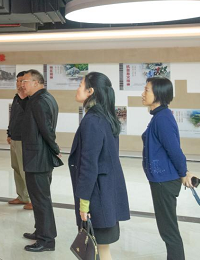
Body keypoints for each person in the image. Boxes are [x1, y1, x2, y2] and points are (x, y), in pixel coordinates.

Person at [69, 72, 130, 260]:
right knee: (102, 249)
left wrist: (84, 203)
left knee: (100, 249)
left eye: (80, 85)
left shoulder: (92, 120)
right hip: (107, 193)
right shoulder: (106, 117)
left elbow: (89, 165)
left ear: (90, 91)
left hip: (97, 196)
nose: (77, 89)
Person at [142, 77, 198, 260]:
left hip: (164, 181)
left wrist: (184, 172)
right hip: (161, 180)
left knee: (169, 231)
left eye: (146, 90)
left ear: (158, 94)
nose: (143, 94)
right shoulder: (160, 116)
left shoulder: (162, 119)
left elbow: (174, 149)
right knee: (167, 229)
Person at [20, 69, 60, 253]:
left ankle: (47, 240)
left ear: (36, 82)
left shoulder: (40, 101)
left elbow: (46, 129)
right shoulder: (44, 98)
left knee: (41, 200)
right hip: (39, 156)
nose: (22, 84)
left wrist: (55, 149)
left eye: (25, 81)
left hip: (38, 158)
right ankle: (41, 231)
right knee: (38, 198)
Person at [6, 71, 32, 210]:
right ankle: (22, 196)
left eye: (22, 81)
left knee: (25, 170)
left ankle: (33, 199)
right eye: (17, 81)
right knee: (16, 168)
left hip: (24, 140)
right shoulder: (16, 97)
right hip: (14, 138)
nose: (19, 84)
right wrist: (9, 133)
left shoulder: (30, 99)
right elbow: (13, 117)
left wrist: (23, 97)